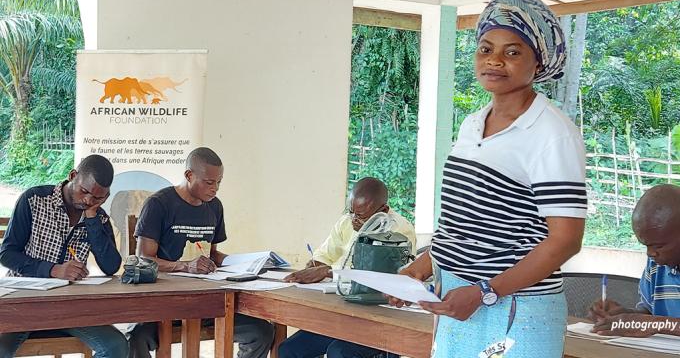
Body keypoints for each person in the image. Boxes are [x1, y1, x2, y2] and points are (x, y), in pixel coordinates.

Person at [388, 0, 587, 358]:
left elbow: (565, 241)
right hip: (457, 301)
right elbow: (463, 222)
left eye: (513, 52)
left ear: (538, 61)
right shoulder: (472, 124)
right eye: (485, 49)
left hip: (518, 310)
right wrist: (421, 267)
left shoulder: (552, 134)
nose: (494, 60)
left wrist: (484, 292)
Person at [126, 147, 274, 358]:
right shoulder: (159, 204)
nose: (215, 189)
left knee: (262, 331)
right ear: (189, 175)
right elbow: (143, 259)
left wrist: (248, 263)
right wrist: (185, 266)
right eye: (209, 182)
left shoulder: (214, 207)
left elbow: (213, 254)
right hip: (165, 303)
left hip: (208, 303)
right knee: (136, 338)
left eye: (219, 182)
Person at [0, 154, 128, 358]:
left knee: (116, 346)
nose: (88, 200)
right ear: (73, 175)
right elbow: (6, 254)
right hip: (24, 304)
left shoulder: (98, 216)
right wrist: (53, 270)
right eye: (84, 191)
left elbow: (111, 266)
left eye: (97, 197)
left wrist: (92, 218)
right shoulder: (34, 200)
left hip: (69, 308)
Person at [279, 177, 416, 358]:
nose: (353, 219)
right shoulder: (347, 221)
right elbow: (325, 255)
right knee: (289, 350)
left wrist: (328, 271)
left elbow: (376, 278)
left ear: (382, 210)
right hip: (341, 313)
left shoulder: (398, 230)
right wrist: (314, 266)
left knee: (338, 353)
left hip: (376, 321)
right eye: (351, 211)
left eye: (360, 216)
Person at [589, 184, 680, 345]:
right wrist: (627, 316)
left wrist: (657, 323)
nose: (650, 253)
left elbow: (657, 323)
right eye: (646, 245)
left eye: (658, 246)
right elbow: (650, 313)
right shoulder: (660, 258)